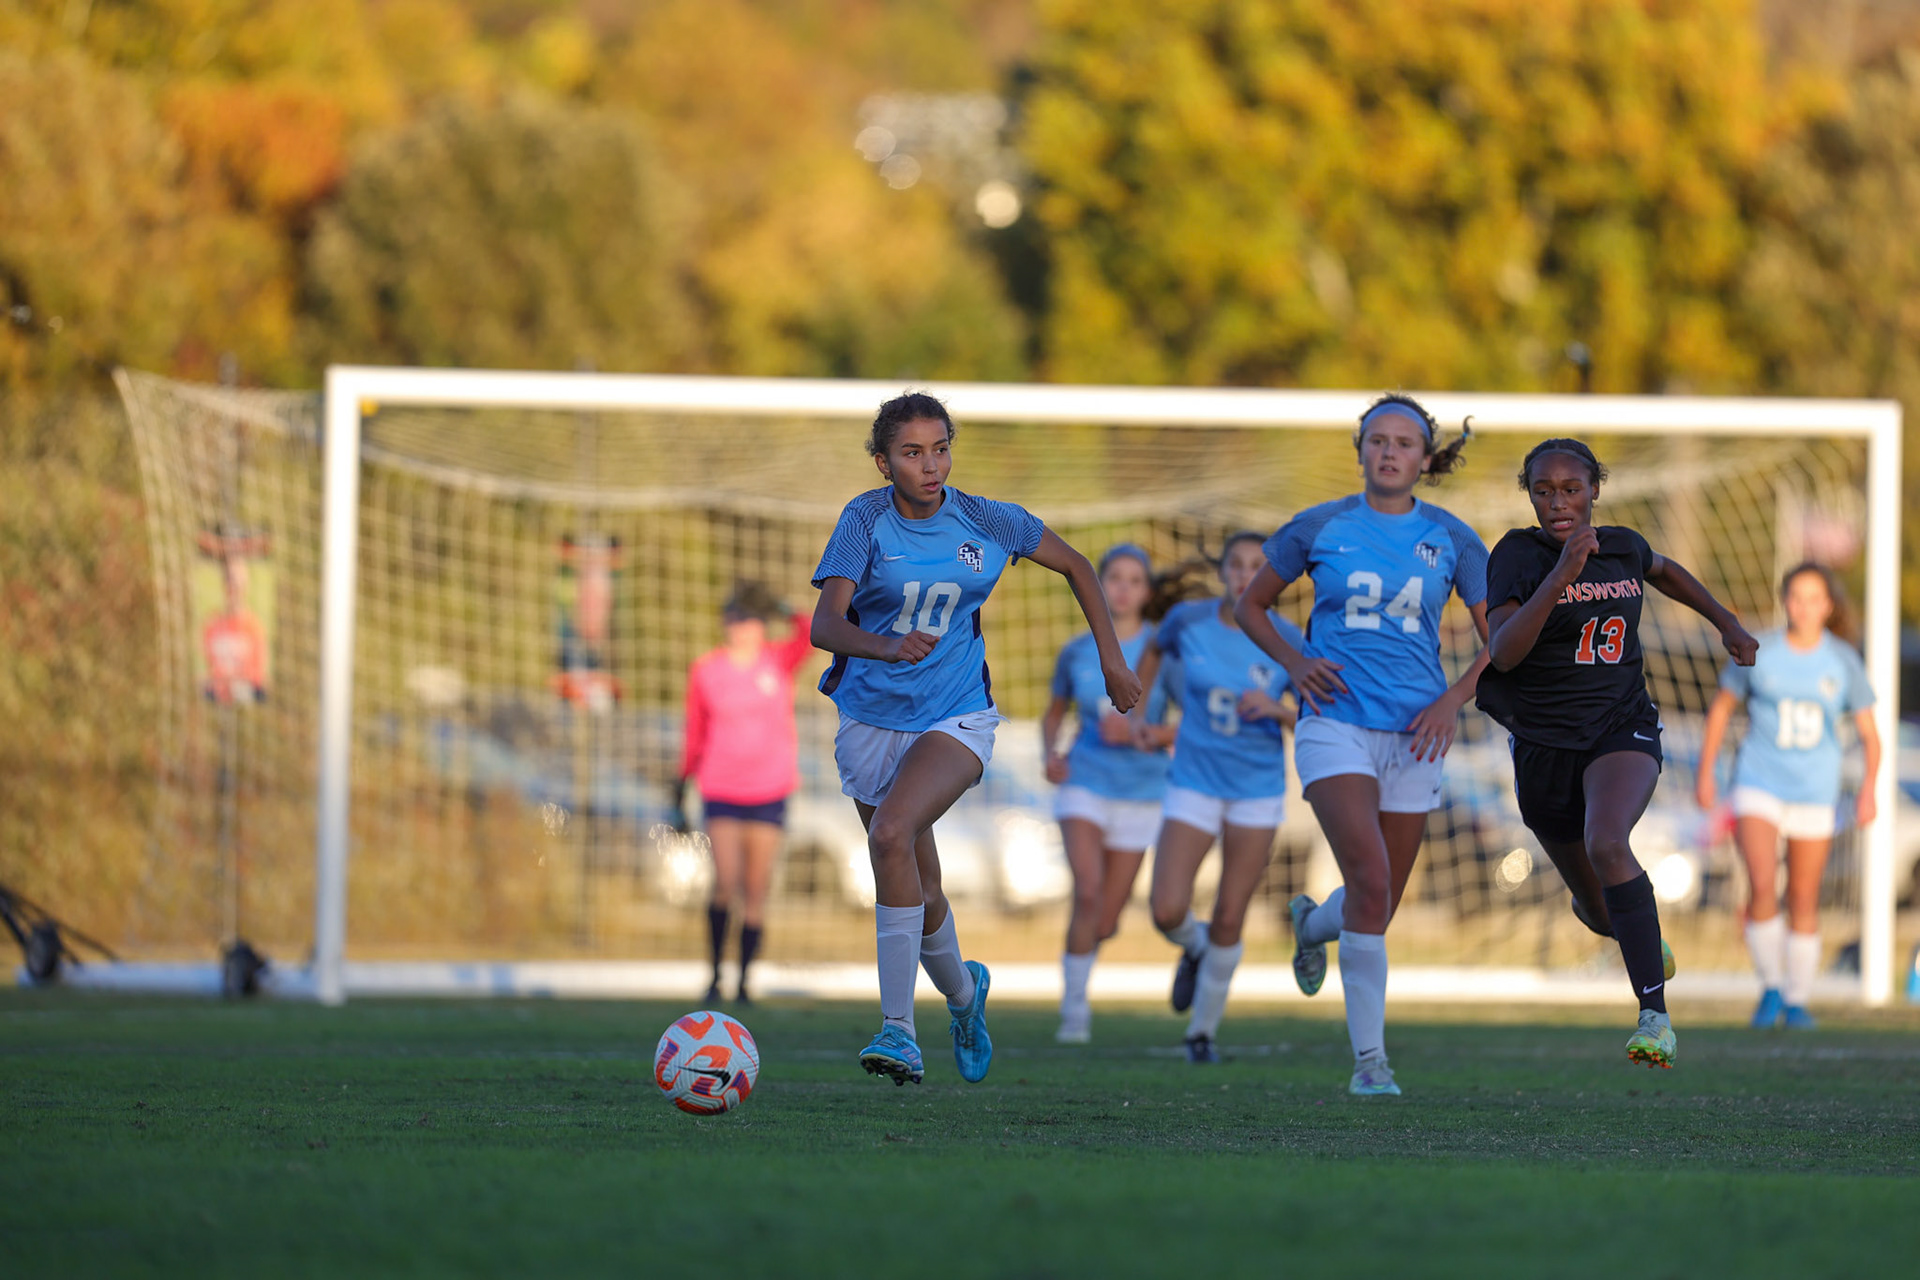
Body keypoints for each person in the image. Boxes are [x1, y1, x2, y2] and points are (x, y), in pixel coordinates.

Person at [810, 392, 1142, 1086]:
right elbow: (826, 627)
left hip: (955, 715)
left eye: (940, 449)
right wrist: (887, 646)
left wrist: (1112, 658)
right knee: (920, 890)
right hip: (870, 718)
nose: (930, 465)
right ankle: (965, 998)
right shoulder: (863, 521)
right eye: (911, 452)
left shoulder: (987, 518)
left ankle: (898, 1031)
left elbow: (1079, 566)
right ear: (883, 462)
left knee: (890, 835)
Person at [1235, 394, 1490, 1097]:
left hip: (1418, 735)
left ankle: (1311, 924)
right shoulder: (1319, 526)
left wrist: (1453, 697)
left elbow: (1503, 640)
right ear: (1359, 450)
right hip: (1335, 722)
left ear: (1425, 459)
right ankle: (1370, 1063)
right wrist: (1294, 664)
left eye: (1404, 442)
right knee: (1372, 882)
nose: (1389, 452)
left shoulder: (1455, 538)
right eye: (1377, 440)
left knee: (1378, 900)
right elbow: (1249, 606)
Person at [1477, 438, 1757, 1070]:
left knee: (1609, 842)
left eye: (1571, 488)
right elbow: (1504, 653)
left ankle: (1654, 1019)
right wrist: (1560, 577)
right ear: (1529, 496)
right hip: (1544, 746)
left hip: (1620, 727)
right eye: (1542, 491)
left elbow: (1664, 570)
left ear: (1595, 489)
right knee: (1599, 909)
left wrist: (1726, 622)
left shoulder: (1624, 545)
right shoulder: (1517, 556)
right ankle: (1638, 936)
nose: (1558, 503)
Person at [1132, 534, 1304, 1064]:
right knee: (1166, 909)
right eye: (1237, 565)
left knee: (1232, 914)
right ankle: (1196, 947)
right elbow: (1153, 653)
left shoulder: (1288, 635)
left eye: (1258, 566)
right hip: (1195, 780)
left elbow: (1317, 712)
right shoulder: (1189, 620)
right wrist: (1141, 715)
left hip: (1256, 790)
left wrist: (1277, 711)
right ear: (1224, 571)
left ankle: (1200, 1034)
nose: (1246, 574)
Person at [1696, 562, 1878, 1030]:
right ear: (1785, 602)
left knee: (1803, 896)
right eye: (1796, 597)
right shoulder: (1762, 650)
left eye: (1814, 598)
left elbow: (1870, 735)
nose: (1804, 607)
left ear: (1828, 606)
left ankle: (1798, 999)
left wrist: (1869, 791)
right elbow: (1721, 710)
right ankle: (1771, 988)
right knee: (1761, 883)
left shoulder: (1843, 660)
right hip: (1759, 782)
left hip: (1816, 791)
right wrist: (1706, 773)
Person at [1042, 543, 1174, 1044]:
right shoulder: (1078, 649)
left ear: (1148, 591)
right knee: (1088, 890)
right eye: (1113, 577)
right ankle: (1074, 1013)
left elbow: (1194, 725)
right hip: (1084, 784)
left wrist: (1147, 734)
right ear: (1098, 585)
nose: (1122, 588)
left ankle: (1085, 954)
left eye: (1134, 579)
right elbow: (1055, 712)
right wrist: (1050, 753)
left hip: (1142, 792)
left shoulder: (1166, 649)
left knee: (1106, 919)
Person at [677, 581, 815, 1005]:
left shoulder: (778, 661)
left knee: (756, 889)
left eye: (751, 618)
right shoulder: (707, 670)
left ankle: (744, 983)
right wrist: (680, 783)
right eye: (736, 618)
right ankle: (716, 974)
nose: (743, 627)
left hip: (770, 789)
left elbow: (811, 632)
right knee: (725, 881)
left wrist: (781, 604)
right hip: (721, 788)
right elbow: (696, 730)